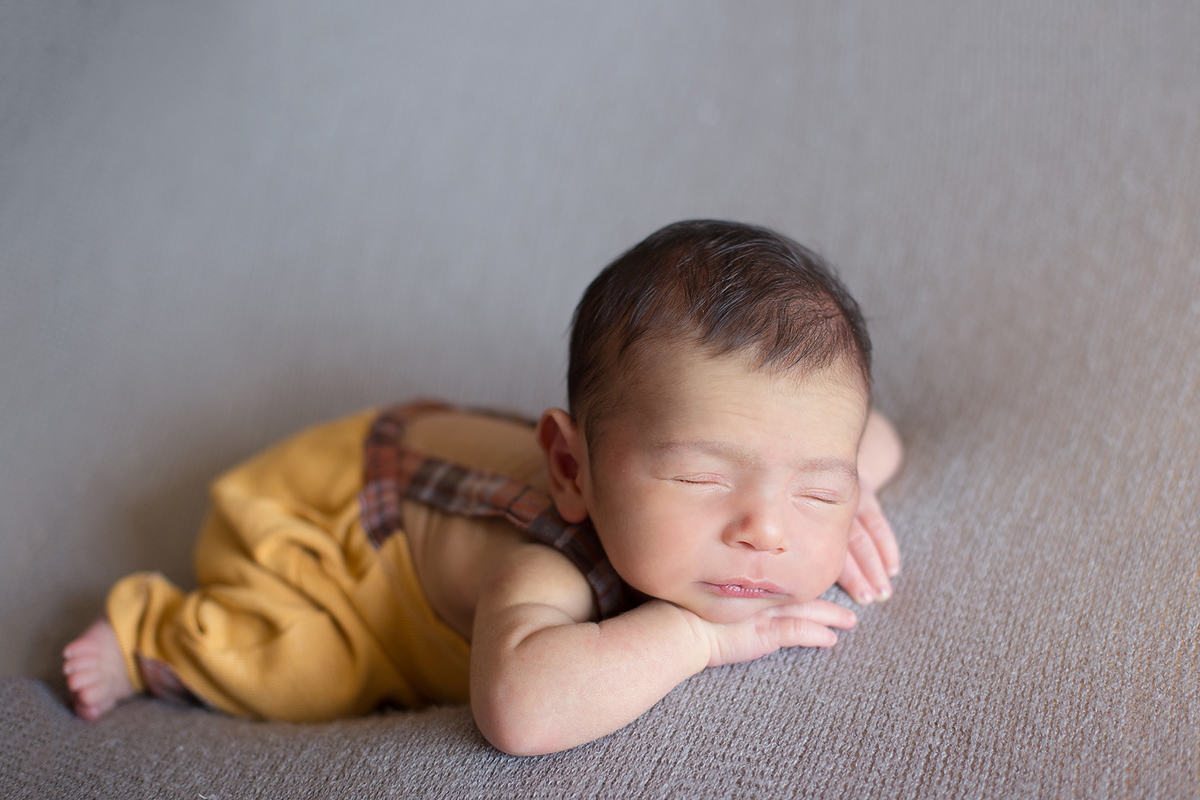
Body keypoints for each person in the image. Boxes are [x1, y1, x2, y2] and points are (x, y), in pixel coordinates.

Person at [62, 219, 903, 755]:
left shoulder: (765, 477)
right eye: (700, 478)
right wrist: (702, 640)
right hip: (332, 543)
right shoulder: (547, 571)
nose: (766, 528)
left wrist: (850, 493)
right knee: (301, 672)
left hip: (415, 445)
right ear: (569, 470)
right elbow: (522, 712)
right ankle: (150, 636)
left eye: (815, 492)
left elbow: (878, 441)